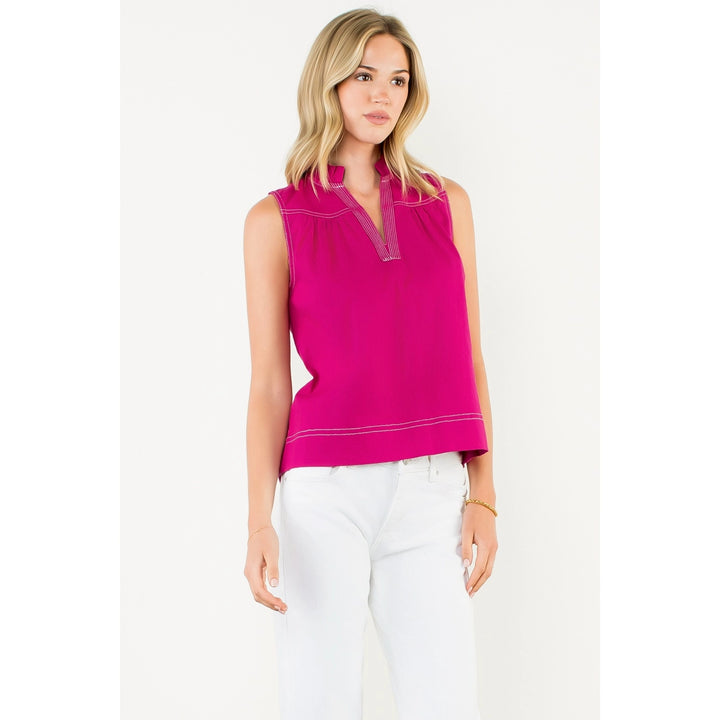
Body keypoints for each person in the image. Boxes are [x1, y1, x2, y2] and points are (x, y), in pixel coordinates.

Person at [243, 8, 497, 719]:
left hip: (432, 489)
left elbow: (470, 356)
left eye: (397, 79)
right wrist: (259, 519)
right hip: (324, 494)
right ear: (328, 82)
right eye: (363, 76)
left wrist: (482, 494)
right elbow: (270, 384)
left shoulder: (447, 204)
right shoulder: (275, 220)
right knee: (318, 702)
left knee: (446, 703)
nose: (382, 94)